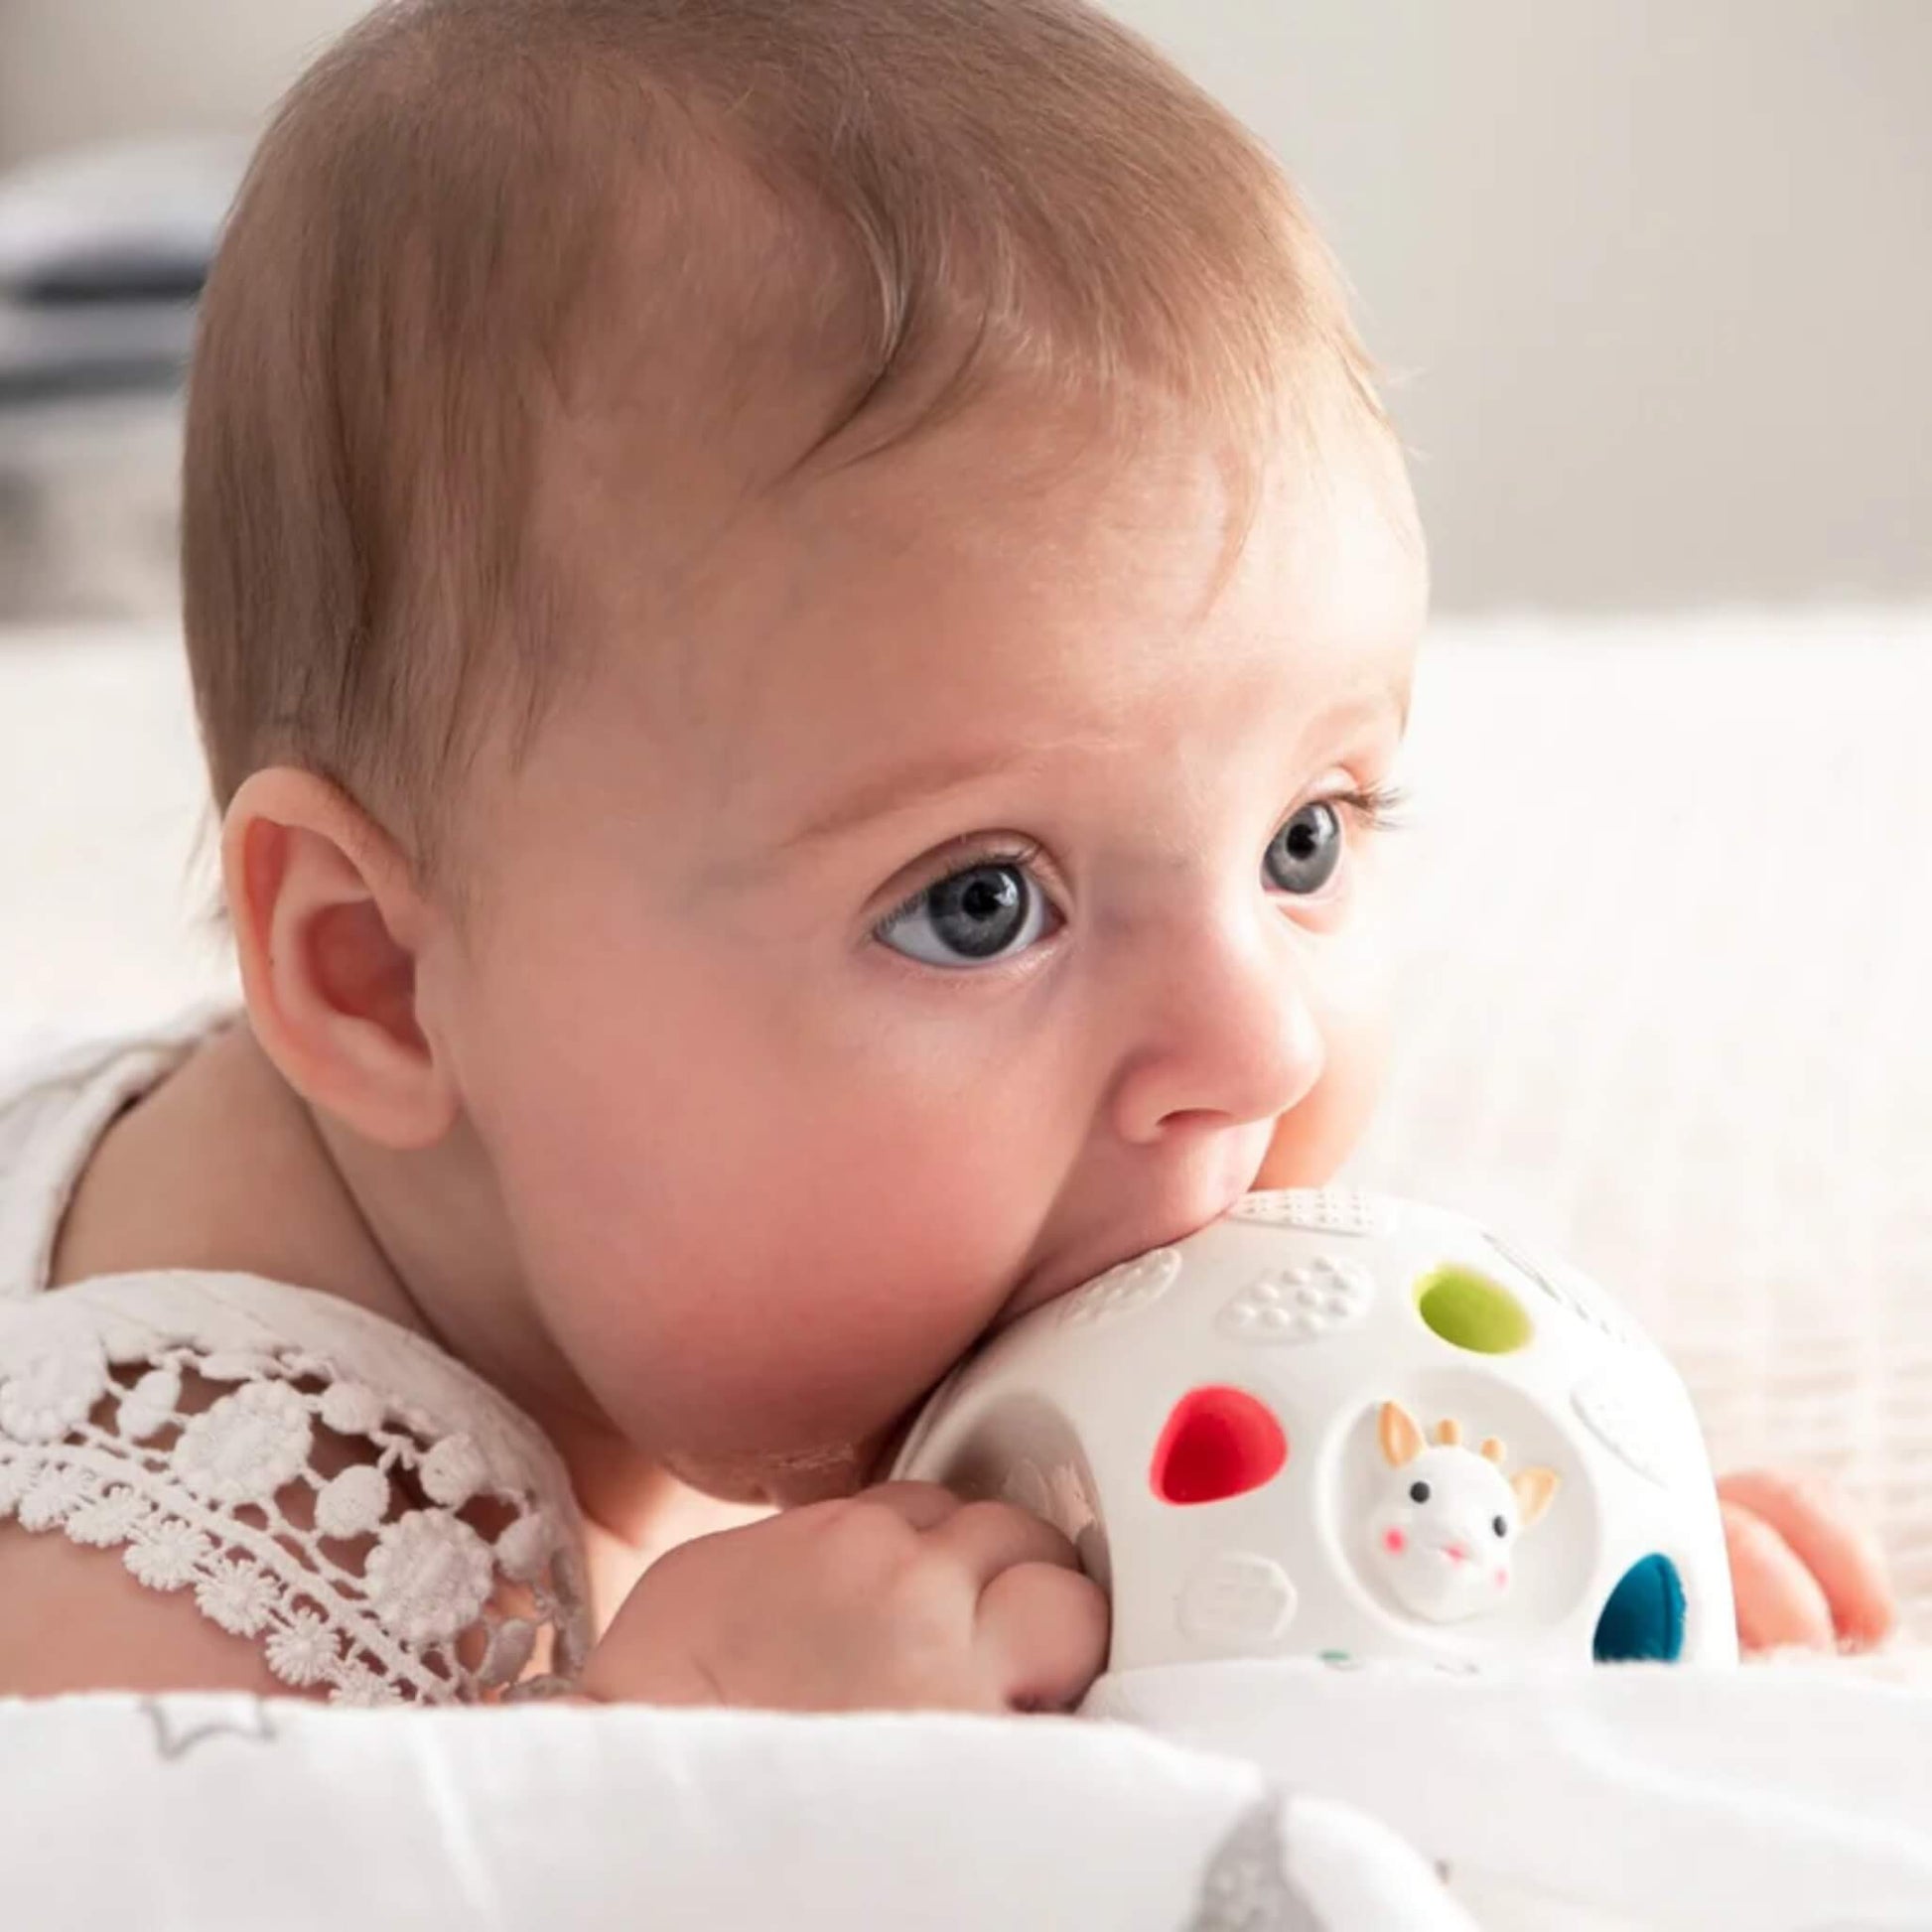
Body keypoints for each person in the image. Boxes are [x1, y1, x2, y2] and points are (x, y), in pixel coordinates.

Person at [0, 0, 1892, 1708]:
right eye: (977, 903)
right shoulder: (187, 1581)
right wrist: (680, 1779)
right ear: (379, 978)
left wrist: (1483, 1585)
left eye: (1303, 836)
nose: (1256, 1052)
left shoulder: (648, 1219)